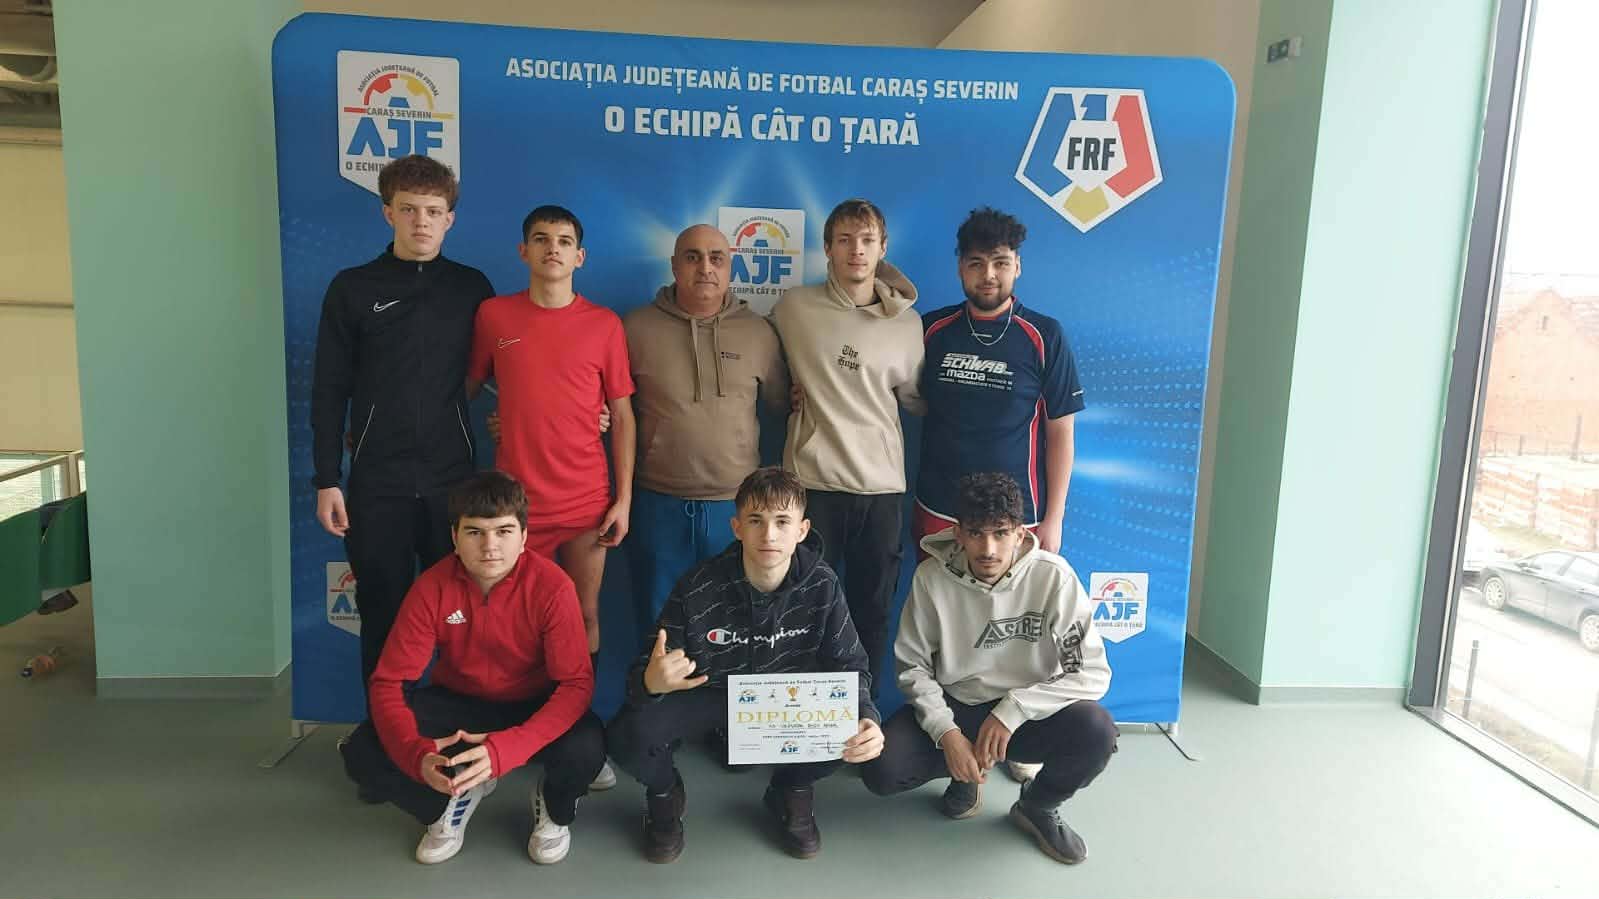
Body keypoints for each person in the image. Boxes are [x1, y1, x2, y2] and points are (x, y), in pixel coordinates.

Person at [606, 467, 883, 862]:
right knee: (626, 735)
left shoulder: (822, 583)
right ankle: (666, 794)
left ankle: (790, 790)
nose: (769, 535)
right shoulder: (699, 585)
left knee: (849, 723)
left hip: (786, 698)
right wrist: (651, 683)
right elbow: (644, 671)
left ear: (802, 530)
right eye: (756, 520)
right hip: (714, 694)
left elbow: (850, 663)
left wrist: (867, 715)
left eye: (782, 522)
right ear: (736, 527)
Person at [338, 472, 605, 865]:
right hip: (459, 705)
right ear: (454, 536)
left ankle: (553, 804)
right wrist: (416, 755)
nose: (490, 546)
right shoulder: (432, 587)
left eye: (503, 531)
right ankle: (451, 796)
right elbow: (389, 682)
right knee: (364, 750)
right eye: (475, 532)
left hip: (532, 703)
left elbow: (576, 685)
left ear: (524, 536)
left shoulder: (553, 586)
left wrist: (507, 749)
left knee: (588, 748)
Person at [862, 472, 1117, 866]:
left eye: (1001, 533)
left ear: (1019, 533)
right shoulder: (931, 578)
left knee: (1096, 731)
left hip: (1028, 715)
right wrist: (947, 734)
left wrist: (1014, 709)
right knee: (882, 769)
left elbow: (1092, 672)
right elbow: (913, 668)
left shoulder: (1054, 577)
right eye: (976, 533)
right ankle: (964, 775)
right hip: (960, 707)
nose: (989, 549)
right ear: (958, 534)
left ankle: (1037, 806)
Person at [310, 154, 493, 686]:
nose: (421, 222)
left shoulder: (471, 287)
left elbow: (511, 363)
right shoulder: (353, 287)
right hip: (377, 485)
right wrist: (327, 479)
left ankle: (458, 726)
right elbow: (328, 389)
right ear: (388, 212)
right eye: (409, 209)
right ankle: (386, 730)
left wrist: (588, 408)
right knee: (383, 618)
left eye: (433, 211)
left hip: (452, 483)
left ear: (449, 219)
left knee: (459, 619)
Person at [769, 198, 924, 693]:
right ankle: (797, 718)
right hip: (811, 487)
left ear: (883, 248)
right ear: (827, 249)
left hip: (880, 492)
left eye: (867, 240)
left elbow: (917, 401)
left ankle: (862, 713)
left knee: (871, 612)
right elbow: (764, 372)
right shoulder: (793, 308)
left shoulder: (908, 324)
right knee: (799, 611)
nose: (856, 250)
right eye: (845, 240)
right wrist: (790, 392)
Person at [467, 205, 636, 658]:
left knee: (584, 614)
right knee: (519, 617)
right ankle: (527, 704)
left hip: (586, 502)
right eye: (541, 239)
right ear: (524, 251)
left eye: (564, 241)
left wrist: (623, 500)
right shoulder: (494, 316)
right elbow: (467, 389)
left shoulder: (604, 324)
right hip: (517, 504)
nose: (552, 249)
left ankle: (576, 703)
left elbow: (622, 416)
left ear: (579, 256)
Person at [622, 223, 789, 641]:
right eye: (692, 257)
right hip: (657, 501)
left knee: (734, 625)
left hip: (736, 506)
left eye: (717, 258)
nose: (705, 268)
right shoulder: (635, 329)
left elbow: (783, 407)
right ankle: (656, 686)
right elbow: (611, 408)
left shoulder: (758, 332)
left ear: (731, 267)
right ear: (674, 265)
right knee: (658, 625)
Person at [916, 207, 1084, 556]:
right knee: (936, 595)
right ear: (960, 268)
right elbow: (882, 386)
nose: (988, 274)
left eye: (1000, 262)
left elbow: (1061, 433)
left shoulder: (1045, 336)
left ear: (1017, 266)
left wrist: (1055, 518)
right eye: (976, 263)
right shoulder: (931, 330)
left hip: (1017, 520)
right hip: (939, 510)